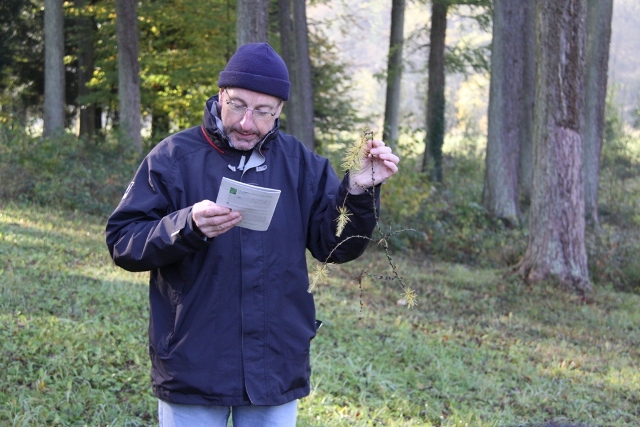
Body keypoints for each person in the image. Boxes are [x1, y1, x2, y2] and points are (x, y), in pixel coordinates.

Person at [105, 42, 399, 427]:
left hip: (274, 364)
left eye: (263, 112)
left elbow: (336, 247)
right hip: (192, 360)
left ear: (279, 111)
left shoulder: (302, 165)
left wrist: (358, 191)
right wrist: (186, 227)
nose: (247, 123)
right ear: (221, 95)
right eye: (238, 105)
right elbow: (123, 240)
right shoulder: (173, 157)